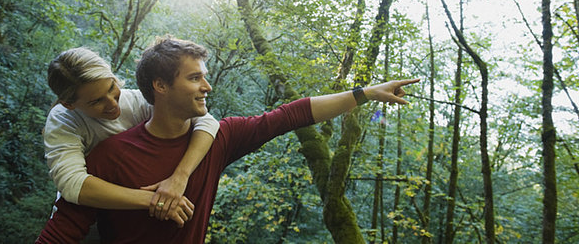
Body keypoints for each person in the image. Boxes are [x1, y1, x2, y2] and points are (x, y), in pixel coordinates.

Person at [36, 38, 419, 243]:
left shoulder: (218, 138)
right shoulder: (107, 157)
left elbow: (292, 114)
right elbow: (63, 226)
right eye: (194, 78)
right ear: (161, 86)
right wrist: (155, 198)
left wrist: (364, 93)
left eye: (204, 75)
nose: (207, 85)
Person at [43, 47, 220, 225]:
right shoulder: (63, 121)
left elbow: (207, 122)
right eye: (97, 101)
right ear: (69, 104)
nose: (113, 103)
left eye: (112, 87)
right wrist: (157, 199)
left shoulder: (133, 101)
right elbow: (72, 184)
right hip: (85, 223)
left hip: (130, 220)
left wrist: (180, 177)